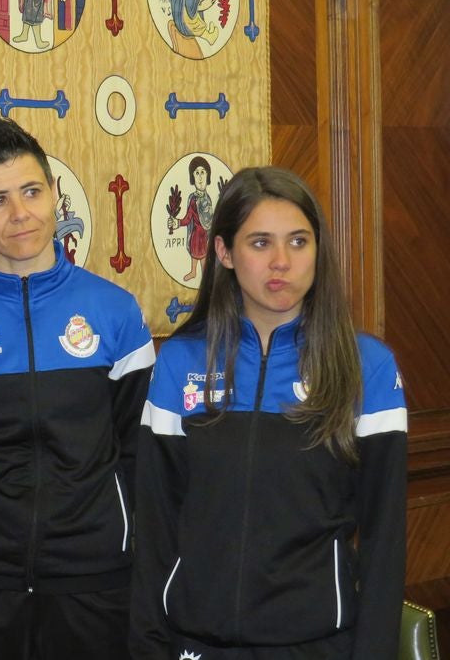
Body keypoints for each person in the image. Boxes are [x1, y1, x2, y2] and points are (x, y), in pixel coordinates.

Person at [0, 115, 155, 659]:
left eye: (31, 191)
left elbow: (138, 449)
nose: (20, 215)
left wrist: (106, 532)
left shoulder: (116, 314)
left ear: (55, 195)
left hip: (95, 578)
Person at [130, 166, 408, 659]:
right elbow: (155, 527)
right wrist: (150, 646)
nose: (281, 262)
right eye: (260, 243)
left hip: (318, 645)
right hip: (197, 644)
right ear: (223, 252)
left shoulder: (367, 367)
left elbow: (385, 542)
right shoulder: (180, 363)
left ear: (318, 250)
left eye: (298, 242)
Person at [168, 155, 215, 281]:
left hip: (205, 235)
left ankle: (205, 276)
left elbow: (209, 220)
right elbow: (188, 218)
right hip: (195, 235)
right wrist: (177, 222)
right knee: (195, 253)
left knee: (204, 255)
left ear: (208, 176)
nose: (200, 177)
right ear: (192, 177)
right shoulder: (192, 199)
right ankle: (193, 271)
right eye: (197, 173)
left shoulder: (208, 199)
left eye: (203, 172)